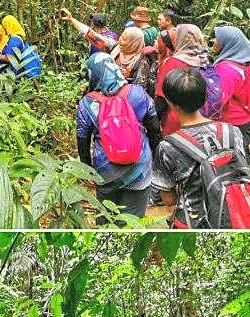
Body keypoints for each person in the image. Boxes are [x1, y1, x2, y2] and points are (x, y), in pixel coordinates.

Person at [153, 67, 250, 229]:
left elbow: (169, 199)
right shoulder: (232, 132)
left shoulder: (168, 147)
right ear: (206, 96)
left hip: (195, 223)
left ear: (170, 102)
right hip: (238, 214)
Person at [76, 52, 162, 221]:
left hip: (105, 171)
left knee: (106, 217)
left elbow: (82, 140)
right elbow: (154, 130)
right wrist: (154, 159)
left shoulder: (87, 103)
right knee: (131, 221)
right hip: (139, 167)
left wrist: (87, 171)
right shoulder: (138, 93)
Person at [212, 26, 250, 155]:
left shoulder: (226, 70)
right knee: (243, 146)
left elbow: (217, 101)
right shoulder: (245, 61)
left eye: (217, 39)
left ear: (228, 43)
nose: (214, 41)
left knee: (233, 154)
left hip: (234, 120)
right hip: (248, 114)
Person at [154, 23, 209, 136]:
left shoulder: (174, 62)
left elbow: (161, 98)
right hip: (202, 117)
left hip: (178, 119)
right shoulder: (205, 60)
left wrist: (154, 124)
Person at [116, 27, 155, 95]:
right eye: (121, 36)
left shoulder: (142, 62)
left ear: (132, 42)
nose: (120, 39)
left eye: (124, 38)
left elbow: (140, 89)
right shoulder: (117, 50)